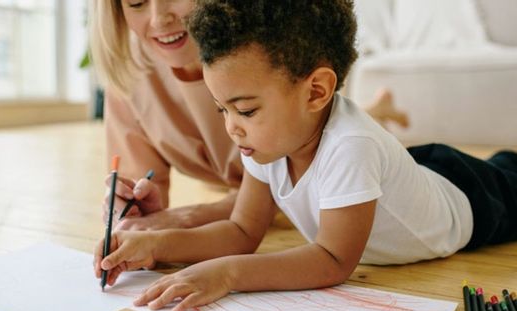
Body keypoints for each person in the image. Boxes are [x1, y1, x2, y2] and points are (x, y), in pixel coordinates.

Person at [90, 0, 409, 231]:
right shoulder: (129, 69)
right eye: (135, 3)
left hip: (281, 166)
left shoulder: (259, 51)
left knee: (342, 134)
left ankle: (375, 112)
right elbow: (138, 189)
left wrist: (192, 217)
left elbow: (292, 190)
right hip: (239, 177)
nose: (159, 19)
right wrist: (132, 207)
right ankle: (378, 109)